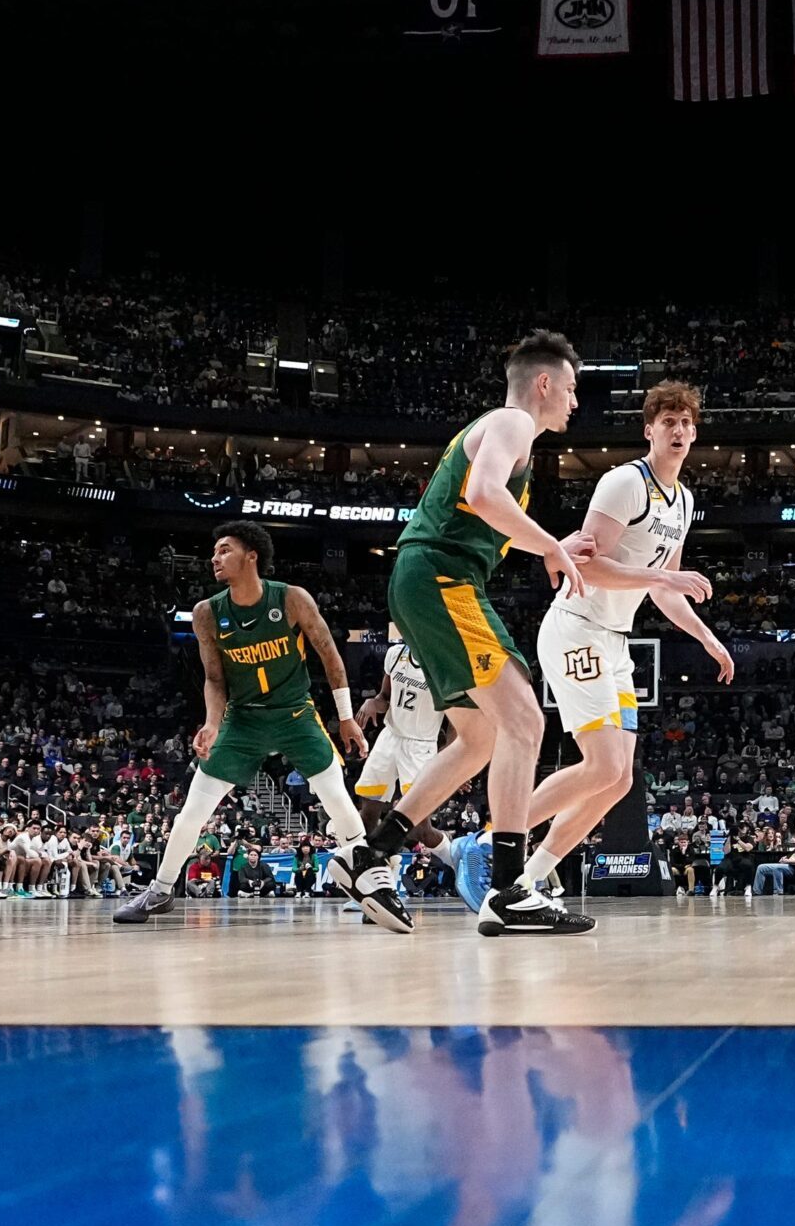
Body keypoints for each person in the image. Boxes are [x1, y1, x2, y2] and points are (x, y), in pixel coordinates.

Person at [338, 331, 595, 936]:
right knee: (525, 721)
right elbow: (482, 497)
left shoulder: (505, 437)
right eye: (572, 389)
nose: (575, 403)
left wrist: (550, 546)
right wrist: (552, 545)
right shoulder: (510, 424)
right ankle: (509, 889)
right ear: (544, 383)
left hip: (429, 579)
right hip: (439, 577)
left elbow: (486, 507)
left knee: (479, 738)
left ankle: (368, 856)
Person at [447, 379, 730, 912]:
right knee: (602, 765)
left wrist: (708, 637)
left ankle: (526, 879)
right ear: (649, 430)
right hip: (577, 626)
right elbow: (586, 562)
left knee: (619, 779)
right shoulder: (625, 483)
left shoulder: (684, 500)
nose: (680, 430)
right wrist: (663, 580)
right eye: (669, 421)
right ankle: (483, 841)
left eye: (687, 423)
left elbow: (663, 586)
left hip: (615, 640)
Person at [112, 522, 375, 924]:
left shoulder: (291, 599)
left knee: (336, 797)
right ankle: (160, 891)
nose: (214, 558)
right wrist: (212, 724)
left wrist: (345, 717)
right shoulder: (207, 613)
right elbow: (215, 679)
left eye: (224, 550)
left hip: (295, 714)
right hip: (243, 718)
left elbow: (330, 657)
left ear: (251, 555)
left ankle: (372, 888)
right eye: (214, 552)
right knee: (192, 812)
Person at [351, 622, 460, 879]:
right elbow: (384, 698)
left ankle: (458, 859)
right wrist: (371, 703)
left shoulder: (444, 667)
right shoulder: (395, 654)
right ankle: (373, 876)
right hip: (390, 737)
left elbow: (455, 722)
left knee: (419, 827)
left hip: (421, 746)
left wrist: (451, 759)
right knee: (368, 812)